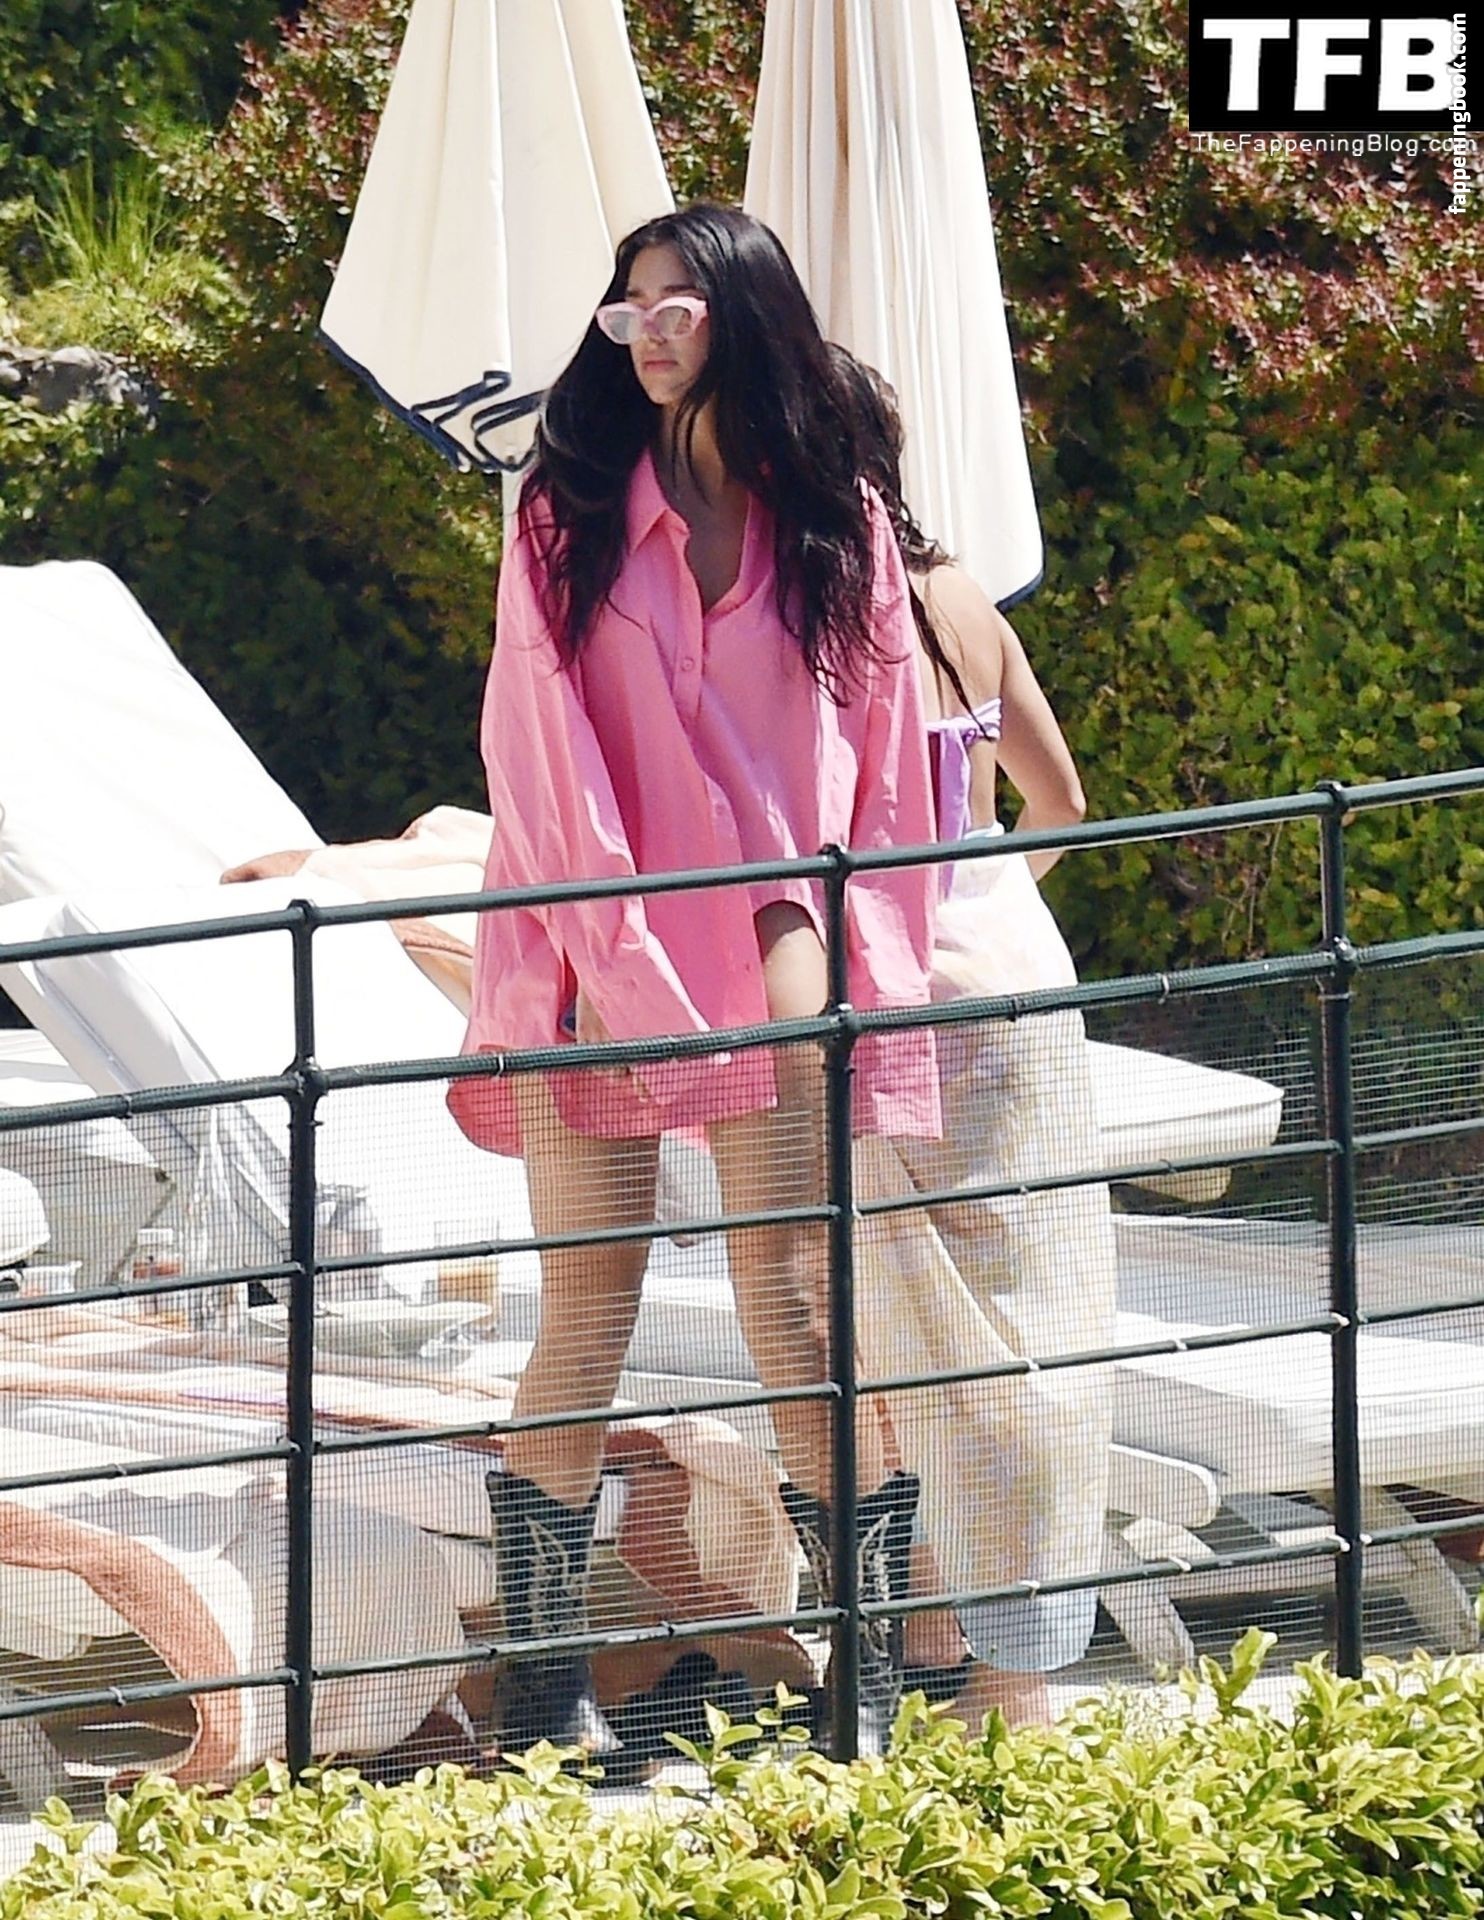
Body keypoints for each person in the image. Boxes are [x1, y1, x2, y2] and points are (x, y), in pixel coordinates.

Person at [447, 206, 942, 1763]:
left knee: (792, 1300)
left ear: (745, 314)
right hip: (591, 938)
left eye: (677, 305)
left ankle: (865, 1684)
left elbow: (884, 763)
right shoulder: (567, 512)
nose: (646, 332)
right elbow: (537, 754)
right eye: (628, 309)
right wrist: (622, 958)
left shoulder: (839, 517)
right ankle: (548, 1695)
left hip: (774, 934)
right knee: (586, 1311)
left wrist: (868, 948)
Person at [835, 348, 1117, 1730]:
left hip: (904, 989)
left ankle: (974, 1671)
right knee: (1030, 1321)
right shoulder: (963, 595)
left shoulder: (824, 611)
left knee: (918, 1330)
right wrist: (992, 894)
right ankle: (1003, 1666)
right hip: (1022, 970)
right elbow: (1060, 805)